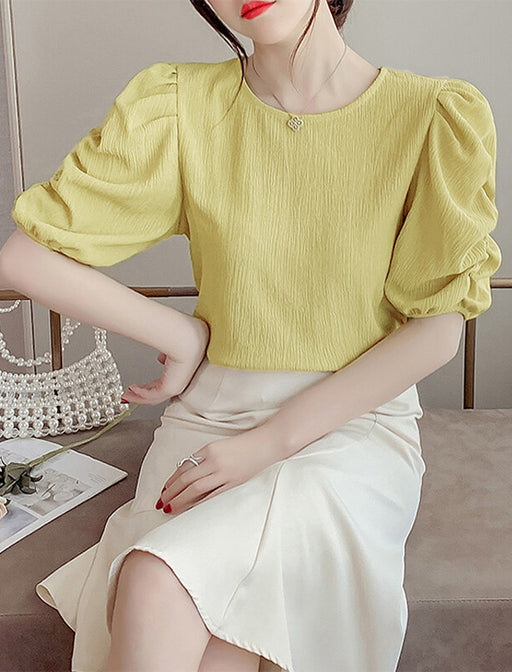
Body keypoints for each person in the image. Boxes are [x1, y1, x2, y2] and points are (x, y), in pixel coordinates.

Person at [0, 0, 502, 670]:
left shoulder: (430, 115)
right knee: (202, 624)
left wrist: (267, 444)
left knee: (155, 576)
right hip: (210, 419)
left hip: (351, 428)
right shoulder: (180, 105)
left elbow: (438, 331)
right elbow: (24, 259)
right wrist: (180, 333)